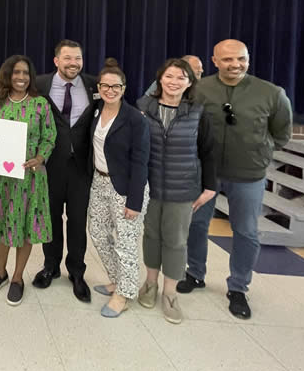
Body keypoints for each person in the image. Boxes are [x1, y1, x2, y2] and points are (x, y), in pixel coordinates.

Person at [177, 39, 292, 320]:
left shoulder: (271, 93)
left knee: (246, 231)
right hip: (206, 173)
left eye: (241, 59)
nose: (235, 64)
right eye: (227, 59)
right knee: (196, 224)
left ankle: (238, 287)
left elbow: (281, 134)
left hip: (248, 175)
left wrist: (258, 153)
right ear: (214, 61)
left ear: (248, 59)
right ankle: (195, 273)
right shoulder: (198, 90)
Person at [136, 58, 217, 324]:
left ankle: (170, 293)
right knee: (151, 236)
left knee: (176, 240)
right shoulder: (143, 108)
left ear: (190, 82)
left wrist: (210, 187)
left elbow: (208, 151)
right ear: (160, 79)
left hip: (183, 189)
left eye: (181, 78)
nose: (174, 82)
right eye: (169, 76)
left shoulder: (198, 111)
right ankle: (150, 284)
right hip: (150, 186)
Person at [0, 55, 56, 306]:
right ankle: (1, 272)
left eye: (25, 73)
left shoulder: (40, 104)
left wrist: (40, 157)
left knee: (25, 228)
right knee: (2, 226)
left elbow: (49, 137)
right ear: (7, 75)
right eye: (16, 73)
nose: (21, 77)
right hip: (2, 179)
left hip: (31, 179)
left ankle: (16, 278)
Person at [33, 39, 98, 302]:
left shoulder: (94, 85)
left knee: (77, 220)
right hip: (49, 164)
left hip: (82, 165)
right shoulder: (39, 85)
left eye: (78, 58)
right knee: (49, 217)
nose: (74, 63)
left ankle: (77, 271)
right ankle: (50, 266)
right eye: (68, 58)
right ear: (56, 61)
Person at [88, 58, 150, 318]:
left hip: (126, 187)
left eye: (116, 86)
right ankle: (117, 279)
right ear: (99, 87)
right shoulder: (95, 111)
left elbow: (141, 161)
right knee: (98, 232)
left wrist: (134, 201)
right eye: (105, 86)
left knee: (126, 242)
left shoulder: (135, 119)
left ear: (124, 88)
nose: (110, 90)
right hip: (99, 181)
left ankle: (124, 293)